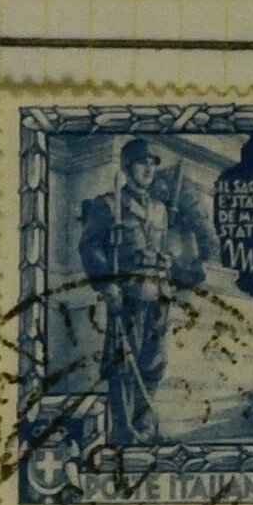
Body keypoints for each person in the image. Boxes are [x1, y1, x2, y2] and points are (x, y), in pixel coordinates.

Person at [74, 132, 218, 460]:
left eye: (152, 163)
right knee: (124, 364)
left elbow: (163, 247)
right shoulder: (108, 205)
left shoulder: (159, 209)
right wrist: (106, 284)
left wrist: (174, 266)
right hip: (127, 295)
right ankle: (123, 432)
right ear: (127, 168)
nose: (149, 169)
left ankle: (146, 427)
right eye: (141, 163)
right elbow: (89, 246)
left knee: (154, 364)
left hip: (158, 295)